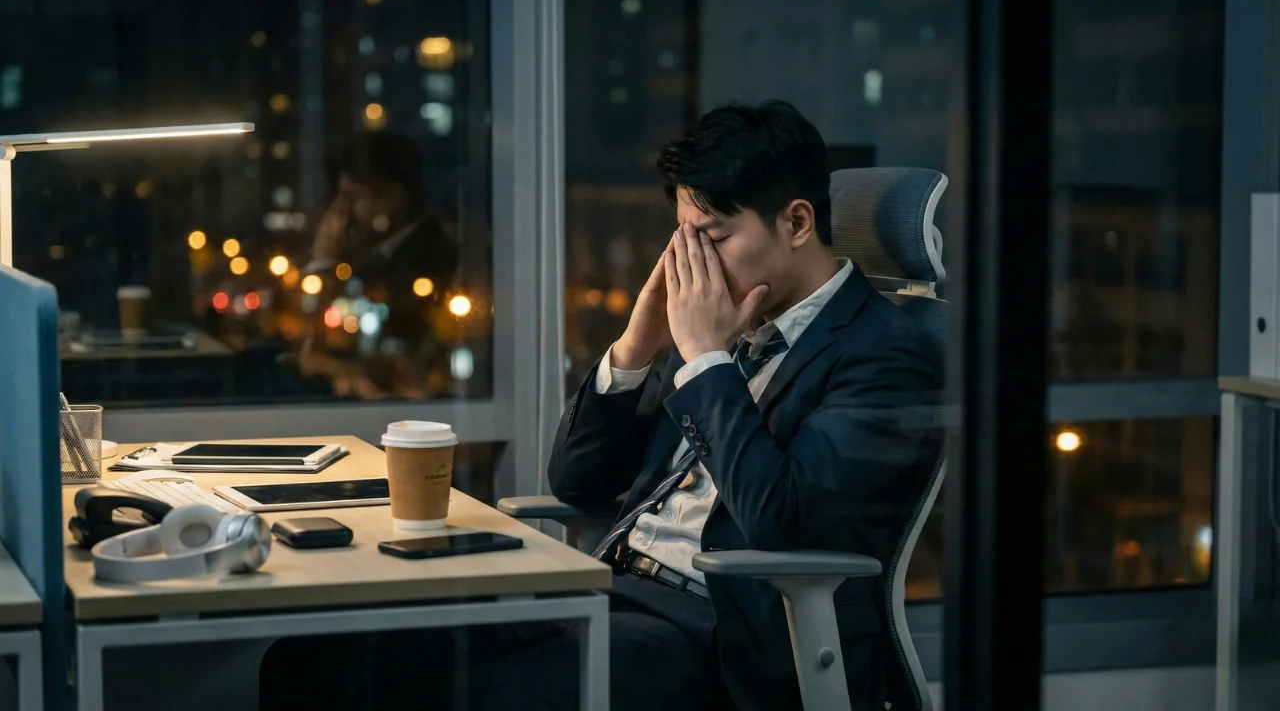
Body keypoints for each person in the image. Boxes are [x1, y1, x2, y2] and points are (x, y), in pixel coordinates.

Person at [259, 100, 938, 711]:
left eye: (715, 235)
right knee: (317, 662)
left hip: (715, 632)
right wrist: (638, 345)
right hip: (606, 591)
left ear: (795, 222)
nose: (690, 262)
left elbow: (784, 520)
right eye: (684, 236)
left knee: (478, 698)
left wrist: (702, 360)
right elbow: (578, 481)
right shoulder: (730, 318)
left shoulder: (883, 351)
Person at [296, 130, 459, 399]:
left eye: (352, 197)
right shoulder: (377, 259)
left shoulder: (421, 264)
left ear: (392, 198)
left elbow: (393, 363)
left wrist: (324, 263)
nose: (341, 212)